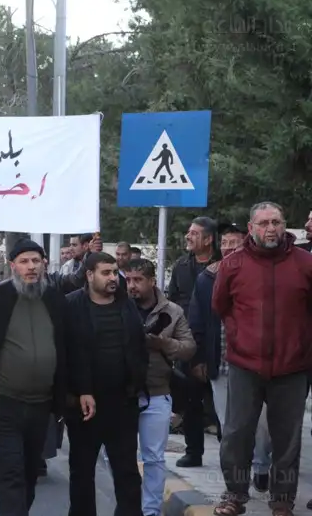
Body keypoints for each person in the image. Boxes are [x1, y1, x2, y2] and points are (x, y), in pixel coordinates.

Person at [211, 202, 312, 516]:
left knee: (287, 440)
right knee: (237, 434)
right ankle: (235, 495)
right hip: (245, 365)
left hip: (292, 367)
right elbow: (220, 306)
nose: (271, 229)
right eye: (264, 223)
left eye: (277, 222)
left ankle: (282, 500)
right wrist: (240, 335)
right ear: (251, 227)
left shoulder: (305, 263)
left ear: (285, 225)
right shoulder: (233, 264)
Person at [0, 239, 70, 515]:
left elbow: (68, 347)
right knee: (10, 472)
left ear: (44, 264)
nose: (31, 267)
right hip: (3, 404)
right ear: (13, 266)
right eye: (24, 262)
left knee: (29, 473)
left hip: (41, 405)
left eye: (36, 261)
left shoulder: (55, 300)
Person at [189, 221, 271, 493]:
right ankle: (235, 482)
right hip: (221, 364)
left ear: (246, 243)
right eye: (224, 244)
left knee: (261, 424)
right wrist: (199, 358)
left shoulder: (260, 274)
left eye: (233, 243)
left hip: (254, 365)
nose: (227, 249)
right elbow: (197, 321)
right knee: (229, 427)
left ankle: (261, 466)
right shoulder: (207, 278)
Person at [65, 252, 148, 516]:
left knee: (127, 472)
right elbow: (67, 354)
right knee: (82, 472)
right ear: (89, 275)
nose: (113, 277)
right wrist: (79, 391)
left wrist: (137, 382)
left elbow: (138, 346)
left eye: (114, 272)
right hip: (84, 406)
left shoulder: (126, 304)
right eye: (106, 272)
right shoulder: (71, 306)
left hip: (123, 403)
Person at [126, 258, 196, 516]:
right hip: (122, 394)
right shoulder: (118, 306)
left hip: (157, 392)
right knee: (117, 456)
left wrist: (163, 344)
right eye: (128, 280)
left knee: (154, 457)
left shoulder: (172, 311)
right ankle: (129, 505)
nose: (132, 285)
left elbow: (189, 348)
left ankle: (151, 511)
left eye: (138, 280)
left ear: (152, 281)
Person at [169, 216, 218, 468]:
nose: (188, 236)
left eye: (194, 233)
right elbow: (172, 302)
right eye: (189, 232)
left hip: (217, 343)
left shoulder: (223, 265)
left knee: (222, 404)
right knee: (190, 401)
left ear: (209, 239)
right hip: (187, 343)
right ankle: (193, 451)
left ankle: (232, 455)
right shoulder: (181, 266)